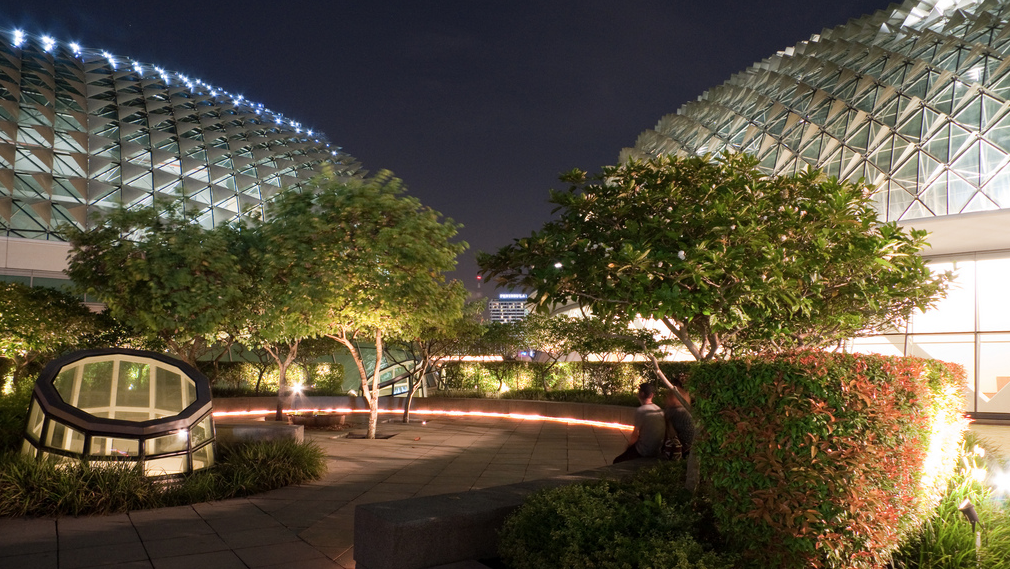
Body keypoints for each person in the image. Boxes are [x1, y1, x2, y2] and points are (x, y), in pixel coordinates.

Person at [613, 383, 666, 463]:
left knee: (617, 461)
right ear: (652, 395)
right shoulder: (659, 409)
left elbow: (635, 435)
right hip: (657, 449)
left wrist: (628, 448)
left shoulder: (642, 410)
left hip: (644, 450)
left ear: (641, 394)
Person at [663, 385, 694, 459]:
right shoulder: (687, 411)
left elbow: (669, 434)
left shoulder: (672, 412)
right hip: (693, 447)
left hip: (683, 449)